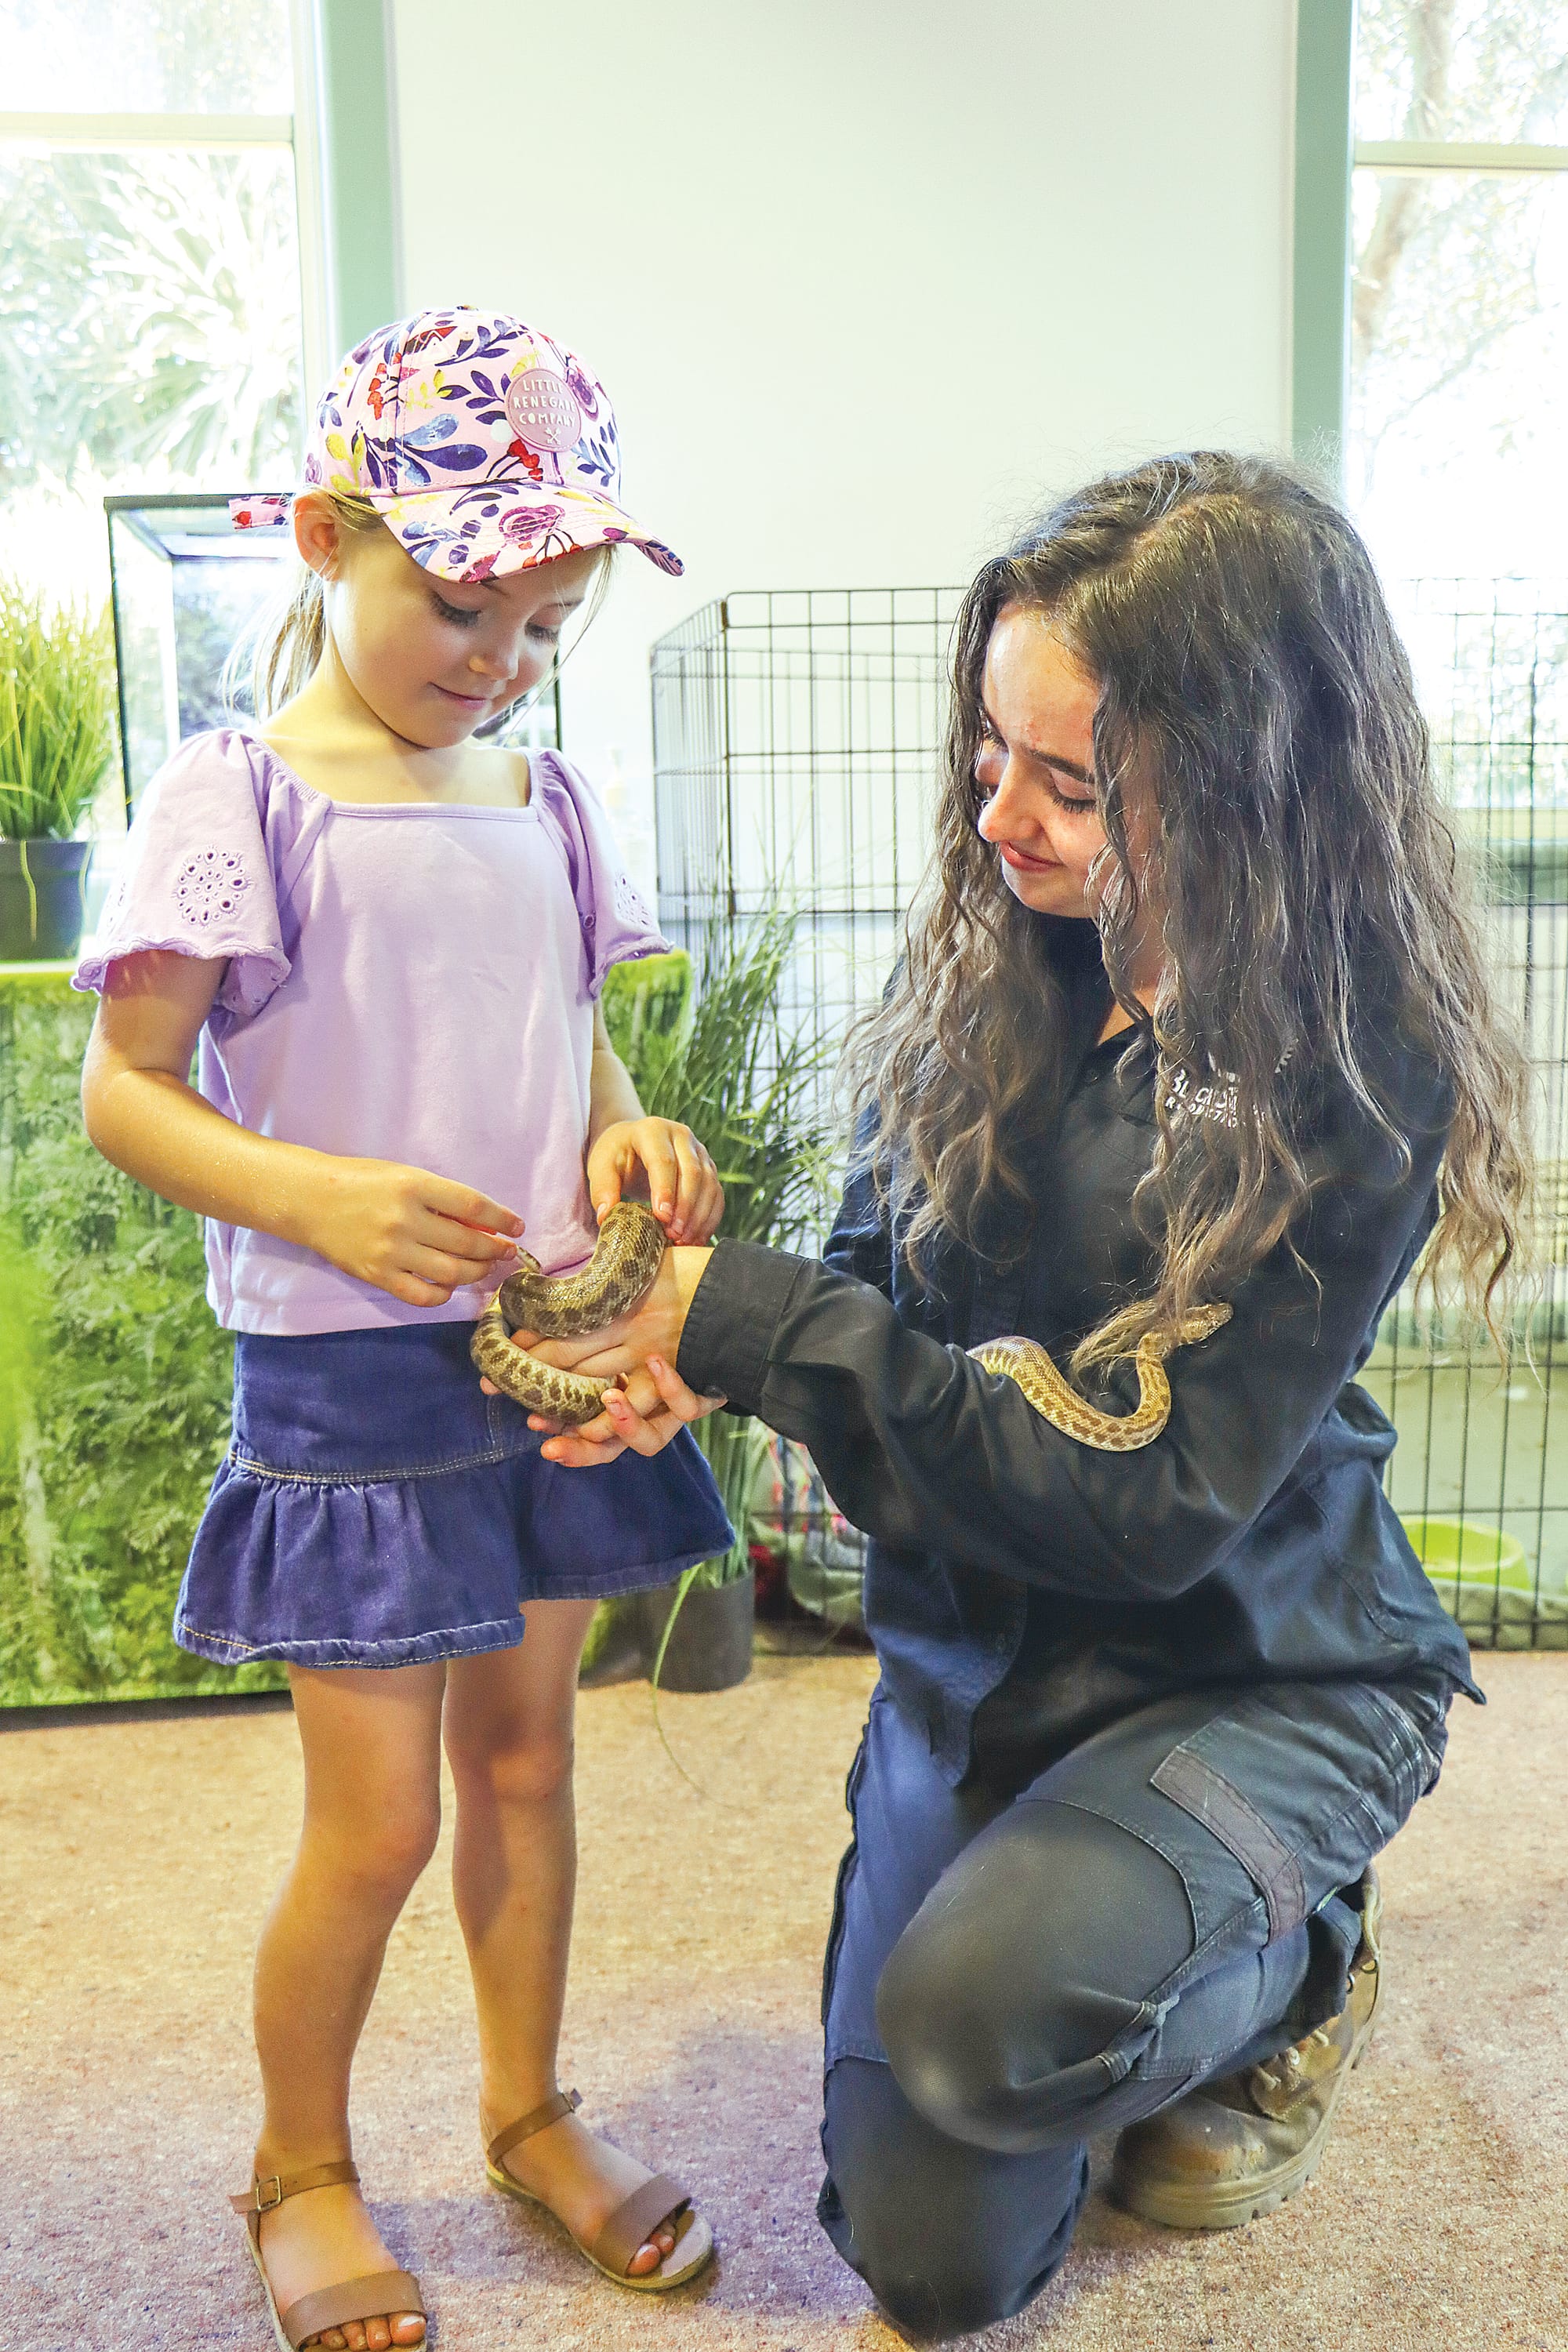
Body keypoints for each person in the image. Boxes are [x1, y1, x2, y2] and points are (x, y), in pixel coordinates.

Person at [506, 454, 1531, 2339]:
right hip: (975, 1655)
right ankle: (1061, 1916)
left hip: (1248, 1668)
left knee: (989, 2023)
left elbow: (1135, 1502)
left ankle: (1301, 1953)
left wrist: (743, 1326)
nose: (1001, 818)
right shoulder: (998, 969)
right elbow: (872, 1295)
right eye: (989, 749)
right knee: (932, 2263)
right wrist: (680, 1363)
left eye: (1072, 783)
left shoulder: (1348, 1075)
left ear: (1248, 798)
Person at [76, 308, 731, 2352]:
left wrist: (632, 1146)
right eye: (459, 602)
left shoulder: (543, 797)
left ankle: (528, 2110)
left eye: (542, 625)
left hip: (544, 1343)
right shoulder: (236, 790)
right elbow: (128, 1089)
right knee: (380, 1821)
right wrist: (323, 1196)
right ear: (320, 534)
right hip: (346, 1371)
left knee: (531, 1769)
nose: (499, 658)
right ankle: (303, 2163)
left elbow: (573, 1045)